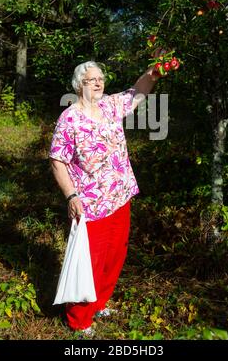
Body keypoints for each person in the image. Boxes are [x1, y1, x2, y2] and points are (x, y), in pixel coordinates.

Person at [49, 60, 160, 336]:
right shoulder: (70, 119)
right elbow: (57, 161)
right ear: (78, 85)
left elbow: (137, 91)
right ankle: (79, 320)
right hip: (91, 203)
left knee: (115, 255)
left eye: (101, 78)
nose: (98, 83)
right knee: (90, 262)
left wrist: (155, 70)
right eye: (91, 79)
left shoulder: (109, 105)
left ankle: (99, 302)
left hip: (120, 195)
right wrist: (71, 195)